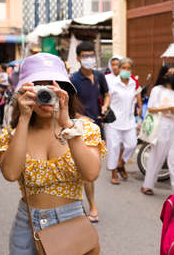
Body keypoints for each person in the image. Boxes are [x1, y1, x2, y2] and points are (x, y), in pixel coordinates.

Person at [0, 53, 105, 255]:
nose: (45, 97)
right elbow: (10, 174)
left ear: (65, 91)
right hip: (27, 226)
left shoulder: (83, 129)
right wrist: (24, 119)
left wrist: (67, 124)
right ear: (24, 92)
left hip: (72, 223)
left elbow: (91, 174)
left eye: (51, 88)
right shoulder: (14, 134)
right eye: (37, 88)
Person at [70, 41, 109, 223]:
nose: (89, 59)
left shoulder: (99, 76)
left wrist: (106, 106)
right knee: (87, 172)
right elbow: (69, 106)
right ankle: (91, 205)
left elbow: (106, 94)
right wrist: (80, 116)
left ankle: (78, 202)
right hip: (81, 129)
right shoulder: (73, 80)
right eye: (85, 56)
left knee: (92, 170)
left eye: (91, 55)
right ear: (78, 58)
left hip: (98, 127)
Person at [141, 63, 174, 195]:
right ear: (163, 74)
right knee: (157, 155)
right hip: (162, 125)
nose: (171, 76)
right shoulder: (157, 90)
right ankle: (148, 185)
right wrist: (167, 108)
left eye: (173, 73)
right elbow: (151, 108)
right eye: (168, 73)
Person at [104, 58, 138, 185]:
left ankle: (121, 164)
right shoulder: (112, 83)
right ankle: (114, 173)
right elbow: (107, 98)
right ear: (119, 68)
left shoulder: (133, 83)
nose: (126, 71)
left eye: (129, 68)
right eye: (124, 68)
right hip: (113, 122)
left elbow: (134, 100)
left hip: (129, 121)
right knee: (114, 148)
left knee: (132, 145)